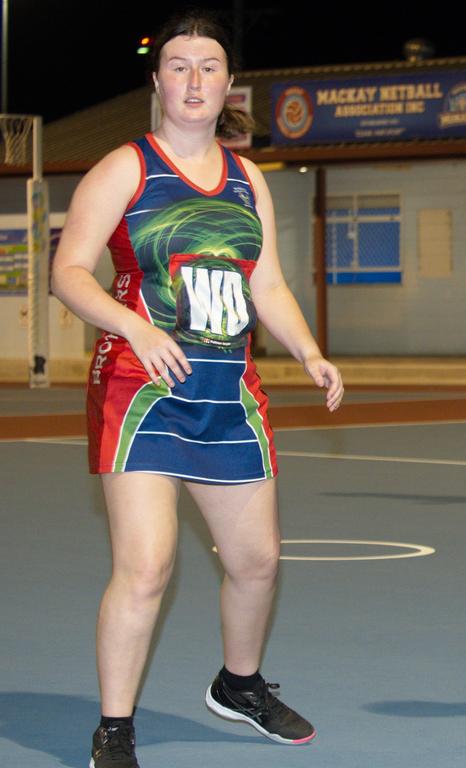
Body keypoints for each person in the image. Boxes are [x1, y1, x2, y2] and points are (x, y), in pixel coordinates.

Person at [50, 11, 343, 767]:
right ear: (157, 82)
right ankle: (114, 728)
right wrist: (137, 328)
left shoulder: (249, 180)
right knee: (146, 567)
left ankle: (238, 684)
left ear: (227, 85)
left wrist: (309, 349)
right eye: (178, 67)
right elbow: (68, 272)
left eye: (207, 67)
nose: (193, 81)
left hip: (227, 393)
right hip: (141, 390)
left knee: (258, 563)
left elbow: (266, 282)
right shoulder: (127, 168)